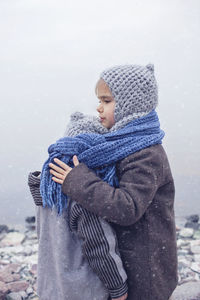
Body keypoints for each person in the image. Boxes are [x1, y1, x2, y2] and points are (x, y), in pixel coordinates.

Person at [49, 63, 178, 300]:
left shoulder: (147, 153)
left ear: (130, 104)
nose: (98, 108)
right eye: (99, 100)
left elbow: (126, 207)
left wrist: (78, 180)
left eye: (106, 101)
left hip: (147, 271)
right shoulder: (121, 146)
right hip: (129, 263)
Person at [28, 113, 128, 299]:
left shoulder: (47, 186)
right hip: (83, 291)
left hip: (51, 286)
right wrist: (118, 288)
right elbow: (99, 247)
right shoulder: (82, 194)